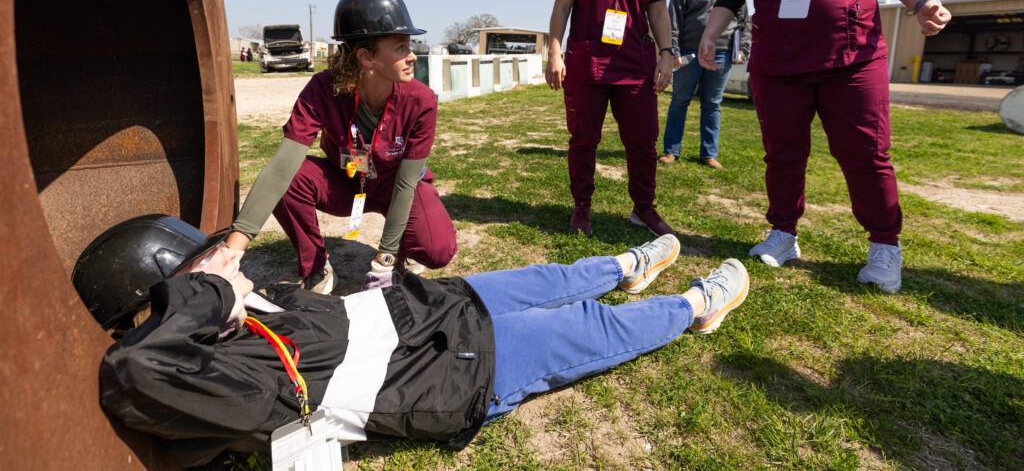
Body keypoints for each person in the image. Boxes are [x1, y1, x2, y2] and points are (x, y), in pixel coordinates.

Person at [73, 215, 750, 468]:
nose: (228, 260)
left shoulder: (235, 320)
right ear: (162, 302)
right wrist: (212, 292)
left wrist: (218, 292)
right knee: (589, 329)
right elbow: (130, 373)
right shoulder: (217, 380)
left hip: (431, 311)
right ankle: (694, 308)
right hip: (451, 371)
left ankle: (628, 266)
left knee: (552, 278)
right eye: (206, 262)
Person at [697, 0, 951, 292]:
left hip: (851, 61)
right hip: (778, 66)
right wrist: (711, 33)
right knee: (783, 154)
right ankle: (783, 233)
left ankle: (884, 246)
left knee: (864, 153)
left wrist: (924, 2)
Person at [222, 0, 457, 294]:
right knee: (291, 178)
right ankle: (317, 268)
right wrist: (231, 251)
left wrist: (385, 258)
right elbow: (282, 166)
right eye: (400, 47)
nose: (412, 55)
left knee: (438, 249)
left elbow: (406, 182)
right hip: (348, 180)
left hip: (395, 183)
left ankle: (404, 248)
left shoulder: (421, 99)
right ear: (366, 57)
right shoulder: (323, 89)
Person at [546, 0, 679, 238]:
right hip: (588, 64)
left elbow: (658, 10)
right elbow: (561, 9)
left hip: (635, 65)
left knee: (642, 140)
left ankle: (644, 208)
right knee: (584, 139)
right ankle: (582, 207)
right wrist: (554, 52)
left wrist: (666, 53)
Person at [660, 0, 750, 169]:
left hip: (721, 52)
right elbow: (673, 20)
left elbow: (744, 22)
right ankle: (671, 151)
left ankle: (709, 153)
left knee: (712, 103)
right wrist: (674, 50)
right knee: (679, 100)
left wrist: (743, 49)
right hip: (688, 53)